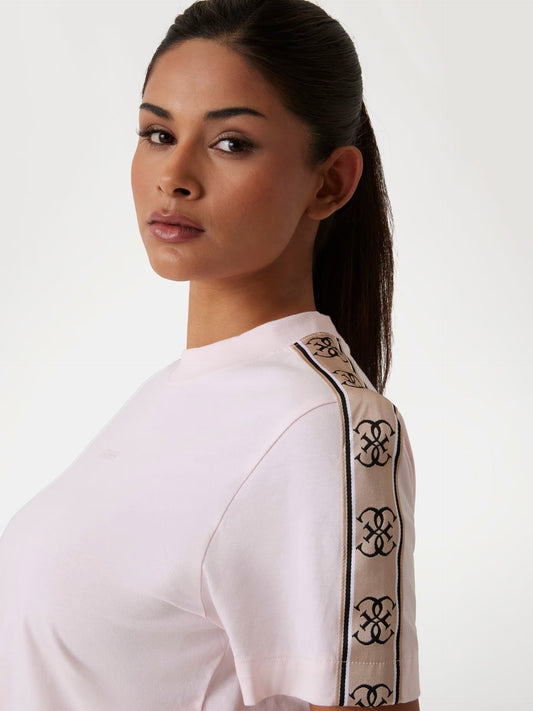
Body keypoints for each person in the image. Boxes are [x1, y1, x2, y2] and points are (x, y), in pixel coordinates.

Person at [0, 0, 420, 708]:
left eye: (230, 143)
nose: (175, 175)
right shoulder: (170, 395)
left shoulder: (325, 427)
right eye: (158, 133)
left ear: (330, 182)